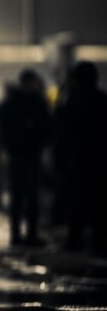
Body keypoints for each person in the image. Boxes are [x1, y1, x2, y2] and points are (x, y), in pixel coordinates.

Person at [54, 61, 107, 257]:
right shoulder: (103, 100)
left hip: (77, 161)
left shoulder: (72, 102)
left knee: (77, 201)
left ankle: (75, 239)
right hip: (101, 161)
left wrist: (59, 160)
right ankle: (100, 242)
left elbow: (62, 133)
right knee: (100, 202)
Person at [0, 68, 52, 247]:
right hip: (32, 155)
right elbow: (48, 127)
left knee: (17, 195)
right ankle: (31, 235)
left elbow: (1, 126)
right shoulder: (37, 101)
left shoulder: (9, 102)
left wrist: (8, 146)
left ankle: (16, 235)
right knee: (31, 196)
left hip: (16, 155)